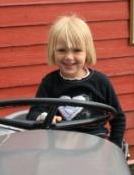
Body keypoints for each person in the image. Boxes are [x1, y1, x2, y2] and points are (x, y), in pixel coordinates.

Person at [26, 15, 126, 148]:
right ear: (53, 51)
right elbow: (33, 113)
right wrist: (44, 117)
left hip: (94, 142)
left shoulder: (101, 82)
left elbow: (118, 118)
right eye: (62, 50)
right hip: (58, 144)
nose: (69, 57)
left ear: (87, 52)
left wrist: (115, 147)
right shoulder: (50, 82)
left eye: (77, 50)